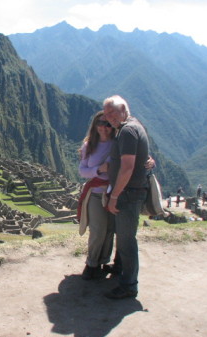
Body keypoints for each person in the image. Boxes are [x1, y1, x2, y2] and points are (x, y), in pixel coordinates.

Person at [103, 95, 150, 300]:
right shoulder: (131, 127)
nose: (109, 117)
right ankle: (121, 269)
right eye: (106, 114)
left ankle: (129, 285)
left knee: (126, 240)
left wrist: (114, 195)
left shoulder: (128, 131)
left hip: (128, 194)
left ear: (123, 108)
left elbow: (128, 167)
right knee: (123, 236)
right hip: (130, 192)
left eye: (112, 112)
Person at [77, 111, 116, 280]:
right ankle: (91, 263)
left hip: (115, 193)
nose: (104, 127)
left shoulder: (118, 143)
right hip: (96, 193)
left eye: (108, 124)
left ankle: (104, 261)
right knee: (98, 231)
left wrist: (150, 161)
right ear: (95, 125)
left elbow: (134, 157)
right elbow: (82, 170)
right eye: (100, 123)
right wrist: (99, 170)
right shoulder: (89, 145)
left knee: (109, 231)